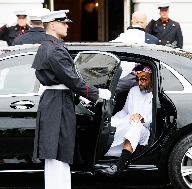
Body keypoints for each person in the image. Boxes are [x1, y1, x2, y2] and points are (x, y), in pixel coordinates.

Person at [31, 10, 111, 189]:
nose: (67, 26)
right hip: (58, 102)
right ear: (52, 25)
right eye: (64, 23)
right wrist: (97, 93)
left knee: (55, 151)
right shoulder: (55, 49)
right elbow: (73, 80)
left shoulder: (47, 46)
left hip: (54, 99)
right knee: (59, 150)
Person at [100, 65, 153, 176]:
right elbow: (125, 111)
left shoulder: (154, 96)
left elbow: (151, 120)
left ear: (150, 78)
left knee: (136, 125)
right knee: (109, 123)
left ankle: (120, 164)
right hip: (128, 121)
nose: (140, 83)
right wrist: (112, 120)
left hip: (143, 129)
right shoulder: (134, 90)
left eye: (143, 80)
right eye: (138, 80)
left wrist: (141, 117)